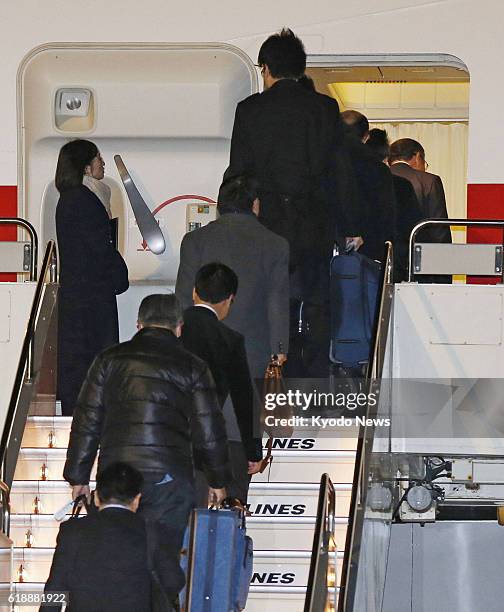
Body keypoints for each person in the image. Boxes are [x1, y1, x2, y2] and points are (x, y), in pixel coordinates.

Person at [63, 294, 231, 548]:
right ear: (178, 328)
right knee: (163, 561)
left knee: (115, 556)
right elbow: (209, 430)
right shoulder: (194, 367)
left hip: (116, 478)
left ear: (139, 325)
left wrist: (78, 476)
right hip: (169, 480)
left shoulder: (108, 360)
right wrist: (217, 480)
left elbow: (87, 420)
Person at [224, 28, 343, 300]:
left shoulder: (250, 109)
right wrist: (348, 225)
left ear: (266, 68)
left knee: (271, 297)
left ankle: (277, 344)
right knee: (316, 301)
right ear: (300, 68)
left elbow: (239, 169)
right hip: (315, 221)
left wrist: (235, 215)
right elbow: (338, 170)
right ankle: (312, 343)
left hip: (269, 220)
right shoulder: (325, 108)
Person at [176, 175, 289, 379]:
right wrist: (278, 348)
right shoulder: (275, 244)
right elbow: (277, 300)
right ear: (255, 205)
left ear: (219, 205)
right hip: (253, 347)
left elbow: (184, 295)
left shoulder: (194, 240)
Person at [42, 462, 184, 612]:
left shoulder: (72, 530)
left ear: (96, 498)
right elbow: (174, 581)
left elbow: (55, 589)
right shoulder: (152, 531)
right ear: (136, 500)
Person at [55, 139, 128, 416]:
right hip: (92, 299)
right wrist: (120, 276)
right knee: (96, 363)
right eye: (98, 158)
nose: (103, 163)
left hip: (79, 297)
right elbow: (101, 248)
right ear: (86, 166)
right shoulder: (86, 200)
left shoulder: (70, 199)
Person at [181, 263, 263, 504]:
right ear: (229, 299)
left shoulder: (171, 328)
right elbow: (243, 399)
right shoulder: (230, 340)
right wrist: (253, 451)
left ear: (194, 291)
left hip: (160, 439)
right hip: (202, 442)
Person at [366, 128, 422, 281]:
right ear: (385, 155)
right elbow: (413, 226)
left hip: (361, 257)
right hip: (394, 258)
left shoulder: (351, 182)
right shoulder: (401, 185)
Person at [341, 111, 396, 263]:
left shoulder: (322, 159)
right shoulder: (376, 167)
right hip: (367, 251)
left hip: (326, 247)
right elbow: (385, 214)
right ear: (366, 137)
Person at [389, 138, 452, 244]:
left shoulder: (377, 177)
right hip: (416, 251)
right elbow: (438, 228)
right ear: (418, 157)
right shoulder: (429, 181)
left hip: (381, 253)